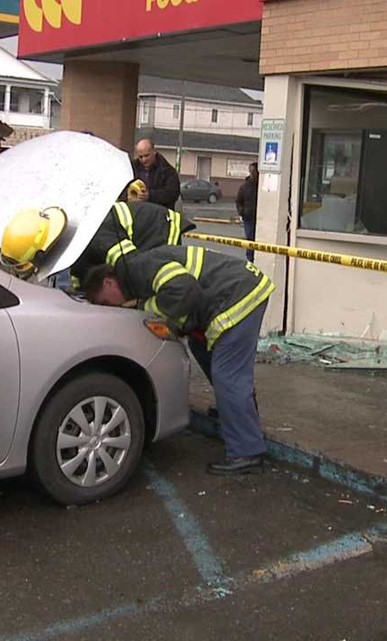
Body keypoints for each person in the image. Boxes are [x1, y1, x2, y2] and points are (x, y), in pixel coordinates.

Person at [82, 245, 274, 475]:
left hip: (238, 295)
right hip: (239, 288)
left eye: (105, 302)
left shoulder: (139, 270)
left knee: (228, 375)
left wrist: (146, 308)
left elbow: (183, 289)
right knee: (201, 348)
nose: (110, 307)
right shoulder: (136, 277)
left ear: (108, 282)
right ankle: (237, 411)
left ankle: (247, 451)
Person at [68, 200, 197, 289]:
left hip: (160, 226)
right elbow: (79, 278)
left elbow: (130, 265)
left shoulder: (99, 236)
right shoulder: (75, 251)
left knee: (162, 277)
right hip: (143, 229)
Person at [130, 139, 181, 209]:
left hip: (159, 215)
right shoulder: (131, 168)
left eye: (146, 155)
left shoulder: (167, 171)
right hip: (137, 213)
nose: (144, 160)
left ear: (154, 151)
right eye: (140, 157)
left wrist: (150, 196)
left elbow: (172, 193)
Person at [235, 162, 259, 262]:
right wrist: (242, 212)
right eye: (251, 171)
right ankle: (250, 260)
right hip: (248, 218)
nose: (252, 173)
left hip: (260, 218)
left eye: (254, 171)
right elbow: (238, 201)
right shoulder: (244, 187)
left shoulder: (262, 186)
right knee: (250, 239)